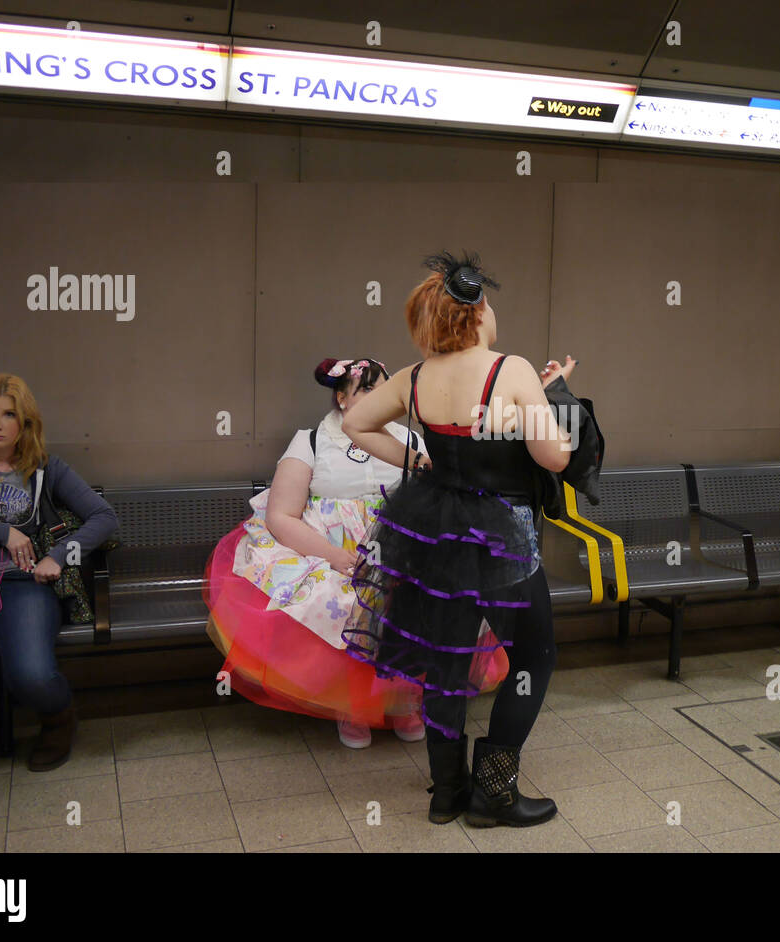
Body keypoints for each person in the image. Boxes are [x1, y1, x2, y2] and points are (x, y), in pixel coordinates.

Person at [342, 252, 574, 828]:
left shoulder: (415, 377)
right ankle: (494, 795)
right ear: (474, 315)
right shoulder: (510, 369)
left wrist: (415, 458)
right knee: (534, 658)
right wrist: (553, 397)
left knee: (444, 664)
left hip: (434, 536)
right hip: (503, 539)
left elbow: (355, 423)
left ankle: (447, 792)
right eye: (488, 304)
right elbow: (555, 457)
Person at [204, 357, 506, 748]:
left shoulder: (411, 441)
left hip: (400, 547)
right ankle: (350, 705)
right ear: (342, 398)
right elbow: (281, 516)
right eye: (367, 388)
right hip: (324, 549)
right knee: (339, 597)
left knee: (428, 594)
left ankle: (406, 699)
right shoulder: (311, 441)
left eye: (384, 387)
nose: (379, 395)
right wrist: (333, 555)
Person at [0, 374, 118, 771]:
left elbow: (104, 517)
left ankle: (59, 721)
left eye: (8, 415)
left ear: (25, 424)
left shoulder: (44, 466)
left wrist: (60, 556)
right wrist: (0, 531)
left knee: (31, 674)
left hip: (22, 583)